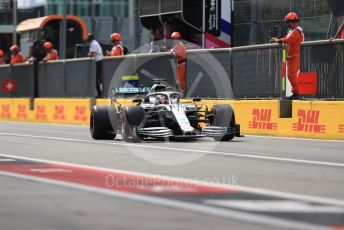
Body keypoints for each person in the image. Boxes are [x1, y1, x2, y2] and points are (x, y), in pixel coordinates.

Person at [272, 12, 304, 100]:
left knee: (291, 75)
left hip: (295, 56)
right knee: (291, 75)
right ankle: (296, 93)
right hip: (291, 56)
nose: (288, 24)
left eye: (288, 22)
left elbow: (289, 40)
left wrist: (279, 40)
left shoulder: (297, 31)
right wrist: (279, 40)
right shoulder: (292, 31)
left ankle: (297, 93)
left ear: (294, 22)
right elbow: (287, 39)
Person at [87, 33, 104, 98]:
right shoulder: (94, 42)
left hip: (98, 62)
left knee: (97, 78)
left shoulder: (93, 43)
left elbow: (92, 54)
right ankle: (100, 93)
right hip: (98, 62)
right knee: (98, 78)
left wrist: (88, 54)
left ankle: (99, 93)